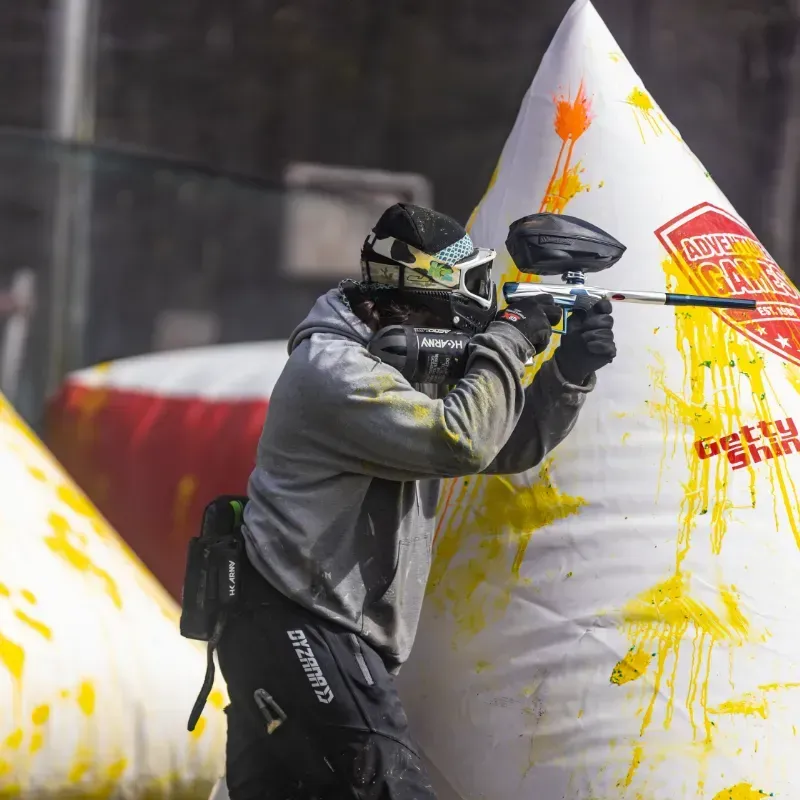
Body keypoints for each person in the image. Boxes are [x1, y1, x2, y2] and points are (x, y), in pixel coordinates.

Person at [217, 203, 616, 799]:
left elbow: (505, 443)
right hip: (299, 621)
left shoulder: (386, 359)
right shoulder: (336, 370)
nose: (475, 312)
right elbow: (464, 441)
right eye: (471, 292)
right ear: (427, 293)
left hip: (287, 624)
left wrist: (569, 372)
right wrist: (507, 339)